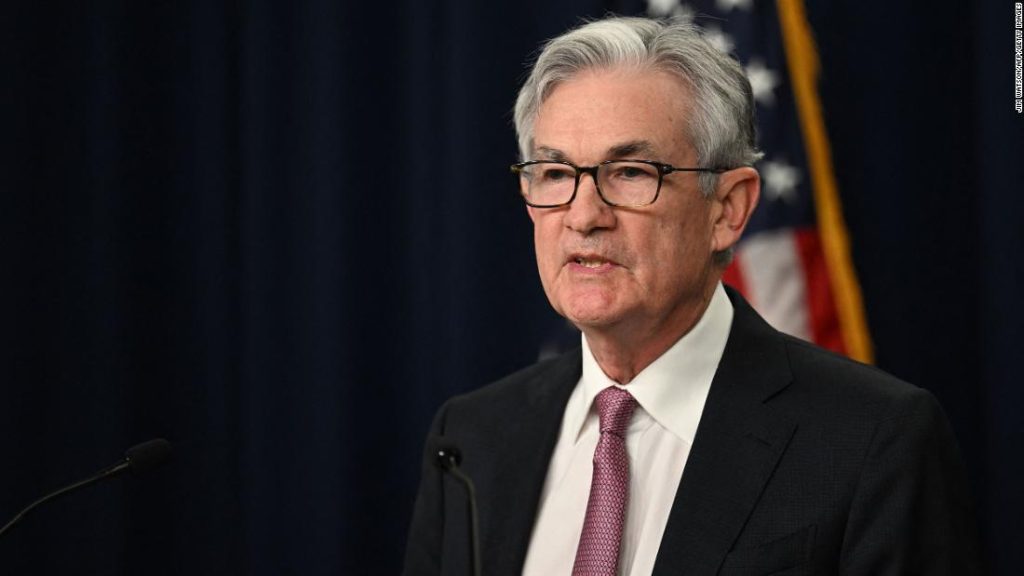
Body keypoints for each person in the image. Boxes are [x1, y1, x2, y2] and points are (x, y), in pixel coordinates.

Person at [403, 15, 980, 576]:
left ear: (727, 210)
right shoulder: (471, 438)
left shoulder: (872, 441)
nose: (583, 216)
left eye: (629, 172)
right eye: (555, 174)